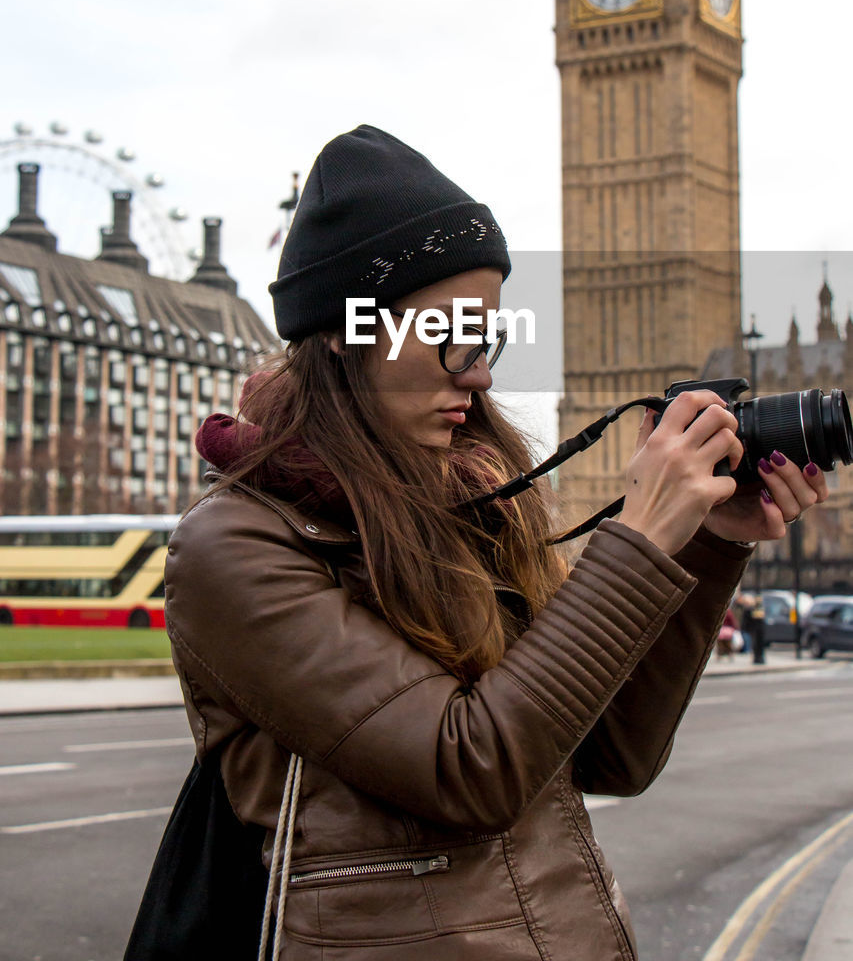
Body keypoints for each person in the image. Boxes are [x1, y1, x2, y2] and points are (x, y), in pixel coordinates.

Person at [126, 125, 828, 961]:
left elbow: (611, 754)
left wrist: (707, 543)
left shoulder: (479, 506)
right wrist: (637, 536)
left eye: (486, 337)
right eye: (448, 335)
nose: (480, 371)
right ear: (346, 334)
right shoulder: (235, 548)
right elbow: (471, 769)